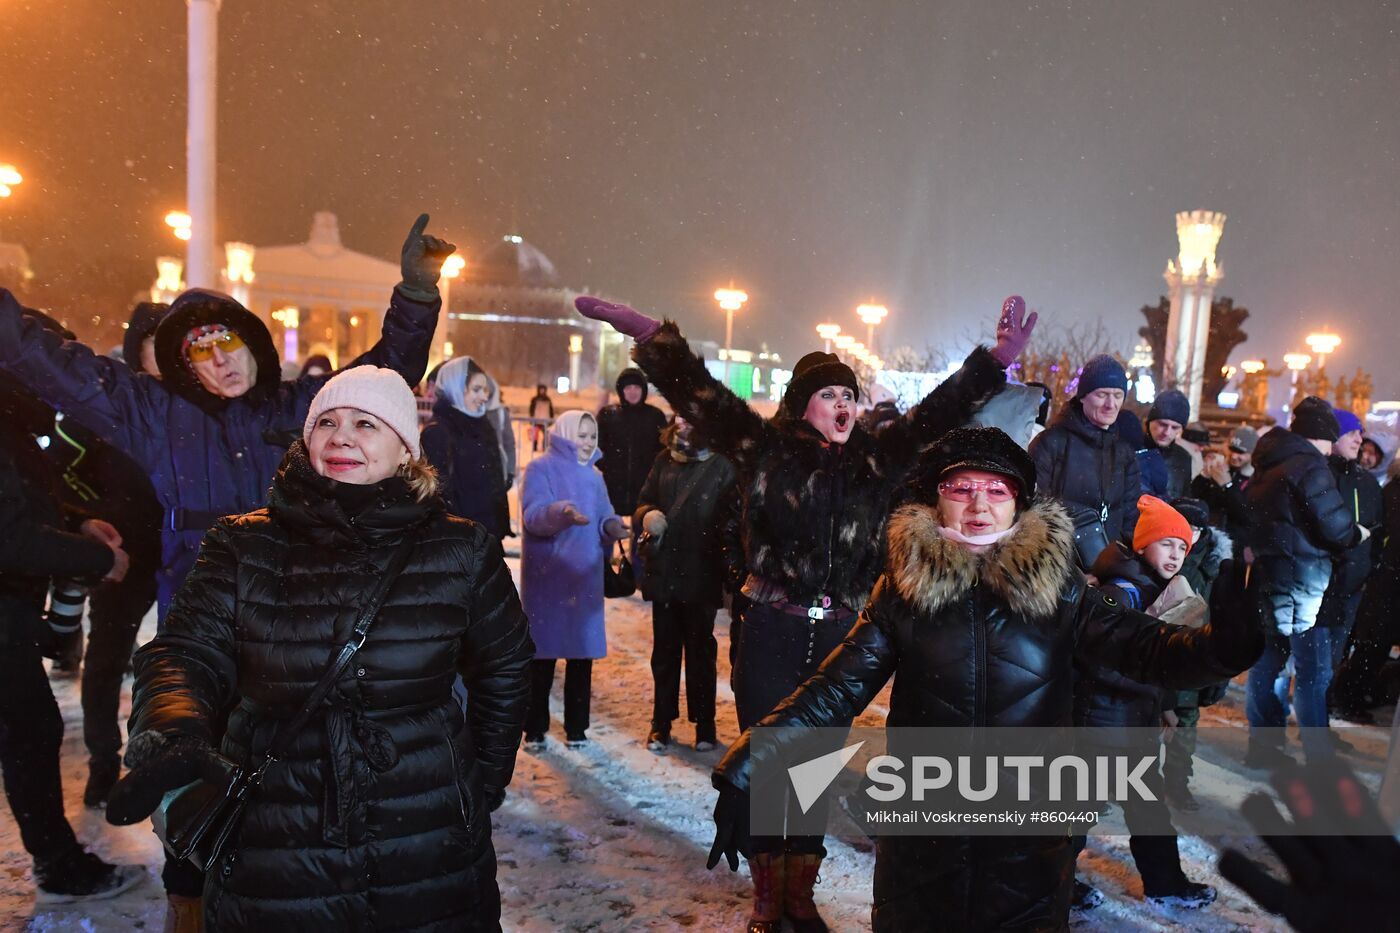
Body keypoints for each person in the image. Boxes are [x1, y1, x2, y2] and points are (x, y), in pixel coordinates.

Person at [0, 214, 453, 927]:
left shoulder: (296, 407)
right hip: (202, 613)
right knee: (196, 760)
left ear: (252, 342)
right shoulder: (151, 412)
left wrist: (417, 295)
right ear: (182, 364)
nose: (221, 362)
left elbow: (385, 373)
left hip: (297, 615)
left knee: (289, 771)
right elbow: (44, 358)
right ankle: (189, 898)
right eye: (201, 351)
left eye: (229, 342)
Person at [576, 293, 1034, 931]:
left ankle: (800, 895)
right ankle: (769, 899)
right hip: (772, 629)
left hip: (840, 638)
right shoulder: (765, 449)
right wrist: (655, 340)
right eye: (829, 395)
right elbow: (703, 399)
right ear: (802, 404)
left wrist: (995, 361)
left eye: (849, 394)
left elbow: (941, 411)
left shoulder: (877, 458)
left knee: (815, 769)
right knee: (771, 761)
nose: (843, 405)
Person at [706, 427, 1261, 932]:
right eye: (962, 488)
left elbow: (1147, 649)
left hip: (1026, 849)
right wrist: (750, 762)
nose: (978, 504)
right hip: (922, 847)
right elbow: (835, 690)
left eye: (996, 490)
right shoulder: (902, 590)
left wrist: (1222, 647)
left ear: (1018, 502)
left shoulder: (1060, 590)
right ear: (937, 498)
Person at [104, 366, 535, 930]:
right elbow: (184, 651)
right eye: (326, 422)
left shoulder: (460, 547)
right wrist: (174, 728)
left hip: (425, 824)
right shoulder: (243, 542)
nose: (341, 437)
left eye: (365, 424)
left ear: (406, 449)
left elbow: (504, 666)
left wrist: (482, 779)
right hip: (277, 824)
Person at [0, 375, 145, 903]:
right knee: (29, 730)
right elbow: (9, 536)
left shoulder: (14, 420)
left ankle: (57, 858)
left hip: (13, 608)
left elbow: (21, 503)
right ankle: (58, 865)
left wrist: (77, 524)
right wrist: (96, 557)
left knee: (31, 728)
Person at [1071, 495, 1217, 911]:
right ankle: (1052, 885)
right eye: (1166, 543)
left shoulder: (1154, 588)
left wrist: (1163, 704)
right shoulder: (1122, 592)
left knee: (1145, 808)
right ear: (1142, 544)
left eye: (1182, 547)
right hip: (1101, 725)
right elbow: (1098, 661)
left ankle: (1165, 883)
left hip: (1128, 723)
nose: (1175, 554)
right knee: (1076, 812)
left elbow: (1156, 661)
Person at [1243, 397, 1366, 766]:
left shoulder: (1270, 462)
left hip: (1272, 578)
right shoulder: (1309, 465)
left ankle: (1263, 746)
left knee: (1268, 664)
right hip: (1303, 586)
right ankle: (1319, 756)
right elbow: (1335, 525)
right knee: (1314, 672)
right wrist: (1356, 534)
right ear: (1321, 435)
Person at [520, 410, 629, 748]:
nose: (588, 442)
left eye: (592, 436)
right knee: (542, 657)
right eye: (582, 435)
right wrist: (562, 512)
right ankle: (535, 727)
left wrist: (612, 526)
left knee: (581, 657)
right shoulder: (540, 468)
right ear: (565, 434)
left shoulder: (595, 477)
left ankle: (577, 727)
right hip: (549, 577)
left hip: (584, 578)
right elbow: (533, 516)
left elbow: (604, 515)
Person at [634, 416, 737, 752]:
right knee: (664, 654)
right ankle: (660, 723)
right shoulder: (664, 459)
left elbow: (733, 519)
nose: (683, 421)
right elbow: (643, 501)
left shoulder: (720, 465)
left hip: (702, 573)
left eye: (689, 414)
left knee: (700, 654)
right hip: (665, 573)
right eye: (678, 414)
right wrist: (647, 515)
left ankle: (704, 724)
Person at [1029, 354, 1142, 568]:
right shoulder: (1050, 443)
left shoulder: (1124, 453)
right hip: (1059, 565)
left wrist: (1119, 565)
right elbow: (1033, 509)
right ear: (1082, 397)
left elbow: (1130, 518)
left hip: (1109, 566)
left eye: (1118, 395)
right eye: (1102, 394)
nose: (1110, 404)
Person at [1160, 497, 1236, 811]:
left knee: (1184, 726)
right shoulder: (1160, 555)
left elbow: (1224, 621)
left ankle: (1177, 784)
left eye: (1194, 529)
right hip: (1155, 655)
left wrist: (1218, 674)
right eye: (1182, 526)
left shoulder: (1216, 568)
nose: (1188, 535)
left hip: (1192, 659)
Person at [1331, 459, 1400, 722]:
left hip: (1385, 580)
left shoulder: (1391, 489)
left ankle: (1353, 695)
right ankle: (1347, 698)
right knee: (1373, 644)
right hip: (1386, 583)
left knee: (1373, 644)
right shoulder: (1394, 492)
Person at [1316, 407, 1383, 676]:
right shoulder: (1318, 475)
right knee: (1311, 665)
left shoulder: (1367, 483)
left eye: (1360, 433)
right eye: (1351, 433)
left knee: (1333, 660)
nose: (1359, 439)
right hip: (1320, 586)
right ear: (1333, 435)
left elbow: (1377, 531)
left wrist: (1369, 570)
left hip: (1351, 589)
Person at [421, 355, 511, 539]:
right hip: (459, 540)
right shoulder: (437, 433)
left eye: (485, 389)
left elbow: (492, 485)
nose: (484, 396)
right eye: (476, 389)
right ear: (455, 389)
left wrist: (498, 525)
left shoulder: (483, 426)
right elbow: (438, 497)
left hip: (488, 536)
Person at [596, 367, 668, 516]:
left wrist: (654, 473)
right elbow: (597, 447)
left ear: (643, 390)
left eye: (637, 387)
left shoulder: (655, 416)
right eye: (628, 387)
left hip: (645, 490)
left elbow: (664, 452)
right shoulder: (608, 415)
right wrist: (607, 467)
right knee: (610, 526)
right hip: (612, 490)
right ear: (621, 390)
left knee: (641, 526)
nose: (632, 391)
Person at [1191, 425, 1256, 539]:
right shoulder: (1222, 468)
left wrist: (1228, 485)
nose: (1234, 456)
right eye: (1232, 450)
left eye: (1240, 452)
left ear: (1252, 454)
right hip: (1211, 536)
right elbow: (1195, 497)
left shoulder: (1256, 477)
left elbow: (1246, 515)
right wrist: (1205, 475)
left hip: (1236, 541)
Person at [1144, 389, 1193, 498]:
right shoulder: (1129, 450)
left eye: (1175, 427)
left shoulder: (1183, 458)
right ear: (1150, 422)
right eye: (1162, 424)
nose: (1167, 432)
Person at [528, 383, 554, 452]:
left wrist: (551, 419)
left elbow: (550, 410)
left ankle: (544, 447)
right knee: (535, 435)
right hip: (536, 419)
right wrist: (531, 418)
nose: (542, 391)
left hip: (545, 420)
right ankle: (534, 447)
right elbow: (531, 409)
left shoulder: (548, 399)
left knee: (545, 435)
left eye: (543, 390)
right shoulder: (534, 399)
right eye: (541, 389)